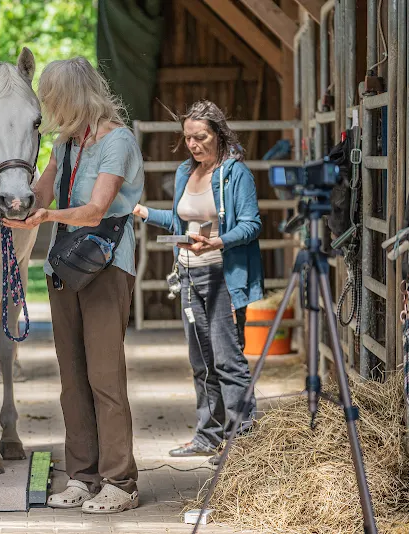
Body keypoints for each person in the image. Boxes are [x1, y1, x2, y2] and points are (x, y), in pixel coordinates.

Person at [2, 57, 144, 513]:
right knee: (72, 380)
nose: (51, 111)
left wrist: (47, 218)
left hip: (105, 266)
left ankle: (120, 481)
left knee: (105, 378)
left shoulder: (116, 140)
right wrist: (20, 202)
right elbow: (42, 191)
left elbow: (97, 209)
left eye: (54, 101)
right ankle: (82, 476)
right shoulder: (64, 144)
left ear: (75, 96)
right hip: (64, 267)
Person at [132, 100, 263, 462]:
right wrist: (142, 212)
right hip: (189, 273)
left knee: (227, 358)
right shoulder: (183, 173)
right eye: (188, 137)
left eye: (200, 137)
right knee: (201, 360)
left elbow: (252, 225)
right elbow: (179, 222)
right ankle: (208, 435)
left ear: (218, 134)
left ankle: (243, 442)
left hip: (223, 275)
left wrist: (218, 240)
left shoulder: (236, 175)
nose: (193, 144)